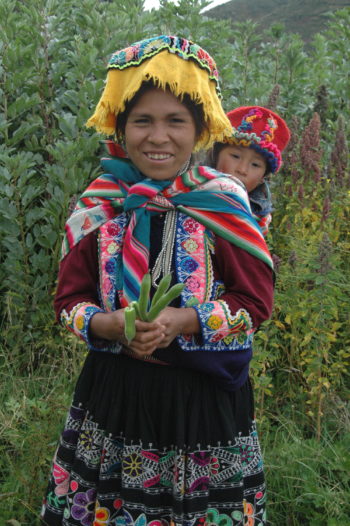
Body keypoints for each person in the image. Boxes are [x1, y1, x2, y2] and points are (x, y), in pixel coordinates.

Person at [41, 36, 274, 526]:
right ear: (121, 129)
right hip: (115, 399)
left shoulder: (223, 202)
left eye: (176, 122)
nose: (158, 137)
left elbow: (253, 303)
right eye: (142, 121)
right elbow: (68, 300)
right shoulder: (99, 206)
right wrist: (108, 325)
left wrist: (183, 320)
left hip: (204, 405)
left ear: (200, 130)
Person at [206, 106, 290, 235]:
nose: (242, 170)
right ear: (215, 154)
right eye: (235, 156)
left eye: (255, 165)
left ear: (263, 177)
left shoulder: (258, 219)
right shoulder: (186, 189)